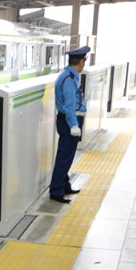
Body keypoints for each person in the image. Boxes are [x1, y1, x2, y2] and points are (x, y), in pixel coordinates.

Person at [49, 45, 90, 203]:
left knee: (66, 156)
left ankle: (63, 184)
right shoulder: (68, 79)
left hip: (68, 121)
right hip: (68, 122)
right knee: (64, 157)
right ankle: (56, 191)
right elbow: (69, 105)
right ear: (80, 62)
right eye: (84, 61)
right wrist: (74, 125)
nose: (83, 64)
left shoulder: (69, 76)